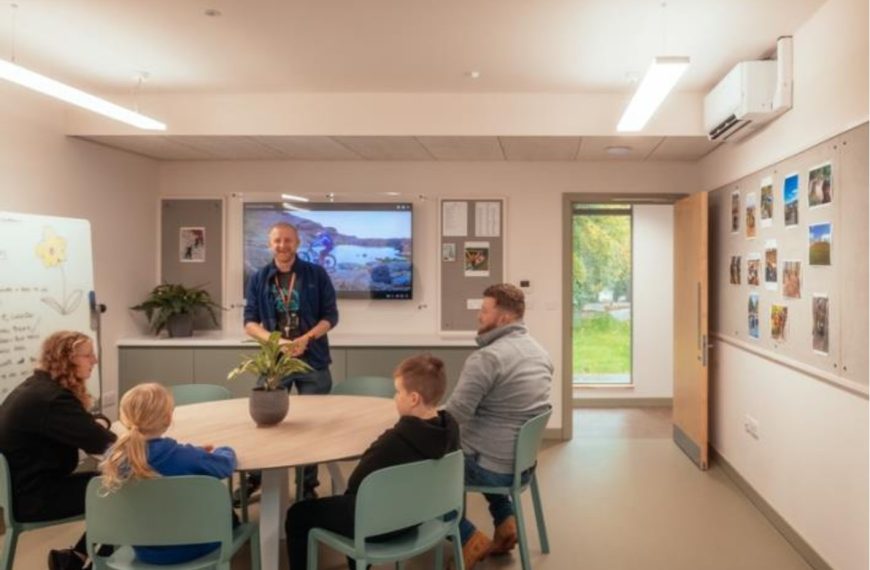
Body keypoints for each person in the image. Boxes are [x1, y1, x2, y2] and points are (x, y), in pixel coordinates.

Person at [284, 354, 460, 570]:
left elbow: (356, 484)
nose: (395, 397)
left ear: (413, 398)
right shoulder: (449, 429)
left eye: (398, 392)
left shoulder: (394, 441)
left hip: (380, 526)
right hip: (418, 516)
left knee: (297, 514)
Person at [444, 284, 553, 569]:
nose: (478, 316)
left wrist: (420, 417)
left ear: (503, 318)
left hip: (491, 467)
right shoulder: (540, 353)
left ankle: (467, 537)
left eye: (483, 310)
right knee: (483, 447)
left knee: (417, 471)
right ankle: (505, 520)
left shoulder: (487, 358)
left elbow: (455, 415)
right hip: (520, 464)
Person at [0, 331, 117, 570]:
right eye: (88, 356)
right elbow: (107, 444)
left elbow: (87, 432)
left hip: (21, 489)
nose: (94, 361)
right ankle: (87, 561)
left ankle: (75, 559)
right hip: (35, 497)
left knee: (111, 483)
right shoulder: (52, 399)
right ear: (66, 359)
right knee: (125, 489)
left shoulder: (37, 388)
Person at [240, 221, 339, 502]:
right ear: (270, 245)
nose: (283, 245)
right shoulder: (259, 278)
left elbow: (331, 317)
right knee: (265, 422)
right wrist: (278, 343)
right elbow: (249, 322)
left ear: (297, 243)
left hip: (314, 360)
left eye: (288, 240)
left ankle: (307, 487)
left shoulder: (316, 274)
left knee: (313, 426)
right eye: (277, 241)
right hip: (275, 363)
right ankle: (257, 478)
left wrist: (306, 338)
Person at [99, 383, 237, 565]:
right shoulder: (186, 457)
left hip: (143, 549)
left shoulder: (113, 460)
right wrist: (225, 449)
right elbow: (225, 465)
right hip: (196, 545)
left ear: (124, 418)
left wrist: (193, 452)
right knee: (231, 516)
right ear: (168, 417)